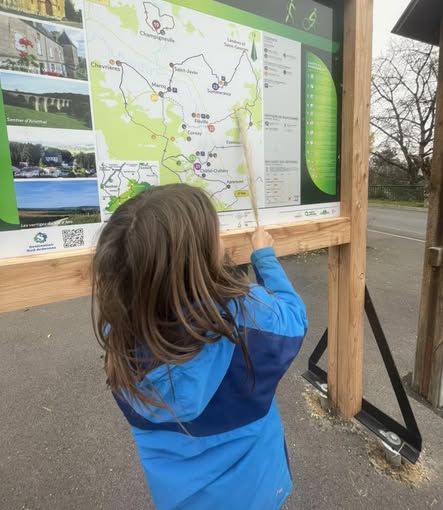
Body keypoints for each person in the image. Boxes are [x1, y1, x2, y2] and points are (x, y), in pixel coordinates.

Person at [92, 183, 307, 510]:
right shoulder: (246, 319)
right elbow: (294, 317)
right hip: (254, 494)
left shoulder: (120, 333)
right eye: (216, 234)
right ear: (199, 257)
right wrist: (264, 258)